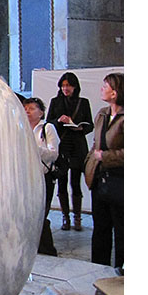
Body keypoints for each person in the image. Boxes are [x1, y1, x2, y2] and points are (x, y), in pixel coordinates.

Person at [84, 73, 124, 274]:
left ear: (115, 92)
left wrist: (105, 157)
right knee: (100, 228)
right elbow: (95, 144)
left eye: (105, 86)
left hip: (120, 179)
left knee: (122, 229)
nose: (102, 88)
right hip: (100, 179)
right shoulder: (102, 114)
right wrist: (90, 162)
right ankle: (98, 270)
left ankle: (120, 272)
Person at [46, 72, 93, 231]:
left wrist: (81, 127)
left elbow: (90, 125)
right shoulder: (55, 101)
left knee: (76, 183)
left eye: (69, 85)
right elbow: (48, 123)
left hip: (78, 145)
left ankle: (77, 217)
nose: (66, 88)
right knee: (62, 182)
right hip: (62, 144)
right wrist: (59, 120)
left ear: (75, 87)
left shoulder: (83, 102)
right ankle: (65, 217)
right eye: (63, 85)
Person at [24, 97, 59, 256]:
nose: (27, 111)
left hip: (43, 177)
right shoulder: (21, 127)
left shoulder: (47, 128)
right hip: (24, 177)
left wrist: (34, 149)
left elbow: (53, 154)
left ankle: (48, 250)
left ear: (41, 112)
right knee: (27, 214)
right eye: (25, 108)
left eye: (31, 108)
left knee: (41, 214)